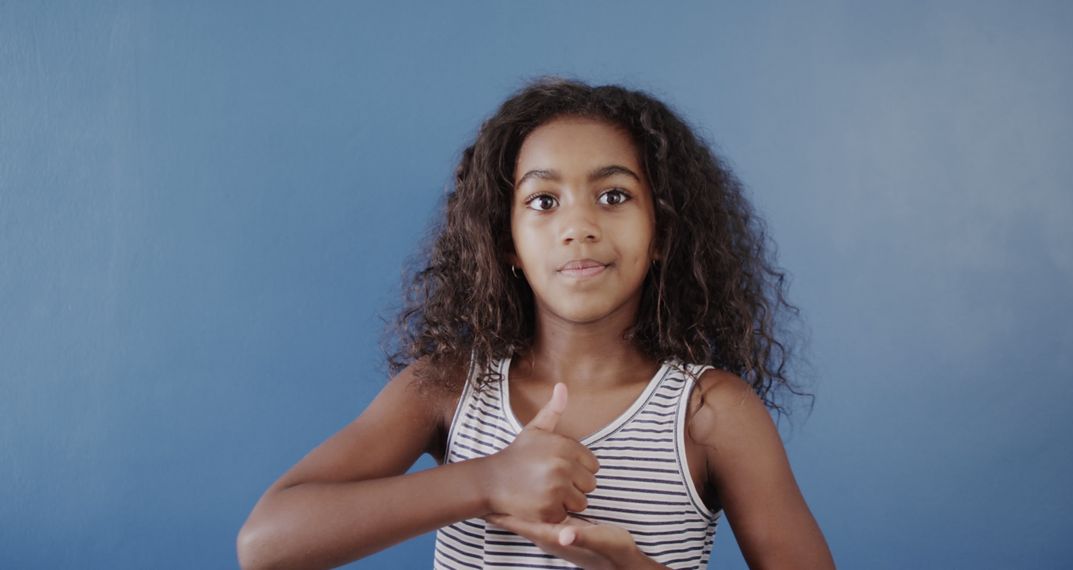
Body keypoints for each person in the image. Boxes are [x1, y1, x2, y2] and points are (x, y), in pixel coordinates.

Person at [237, 77, 835, 570]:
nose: (579, 225)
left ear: (664, 232)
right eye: (544, 202)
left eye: (614, 196)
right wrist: (489, 480)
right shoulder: (449, 387)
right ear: (508, 244)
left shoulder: (711, 413)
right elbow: (265, 543)